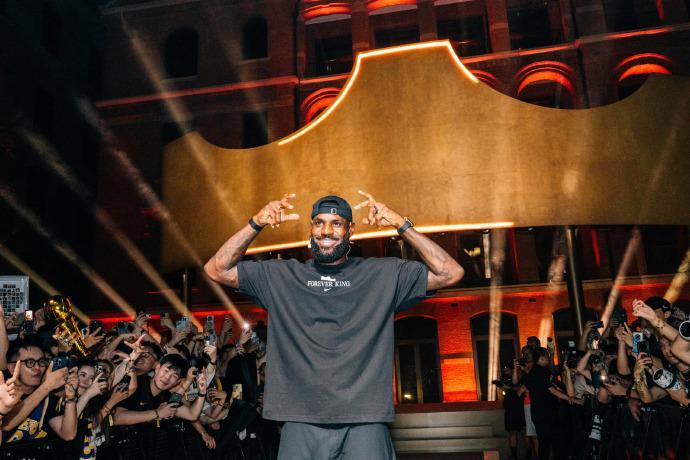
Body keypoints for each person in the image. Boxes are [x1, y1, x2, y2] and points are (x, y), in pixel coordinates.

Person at [204, 191, 464, 459]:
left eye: (336, 223)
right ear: (311, 229)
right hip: (301, 418)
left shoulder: (382, 273)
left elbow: (450, 272)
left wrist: (400, 224)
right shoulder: (281, 276)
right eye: (319, 222)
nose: (326, 231)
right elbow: (216, 269)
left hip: (365, 419)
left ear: (351, 230)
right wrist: (256, 223)